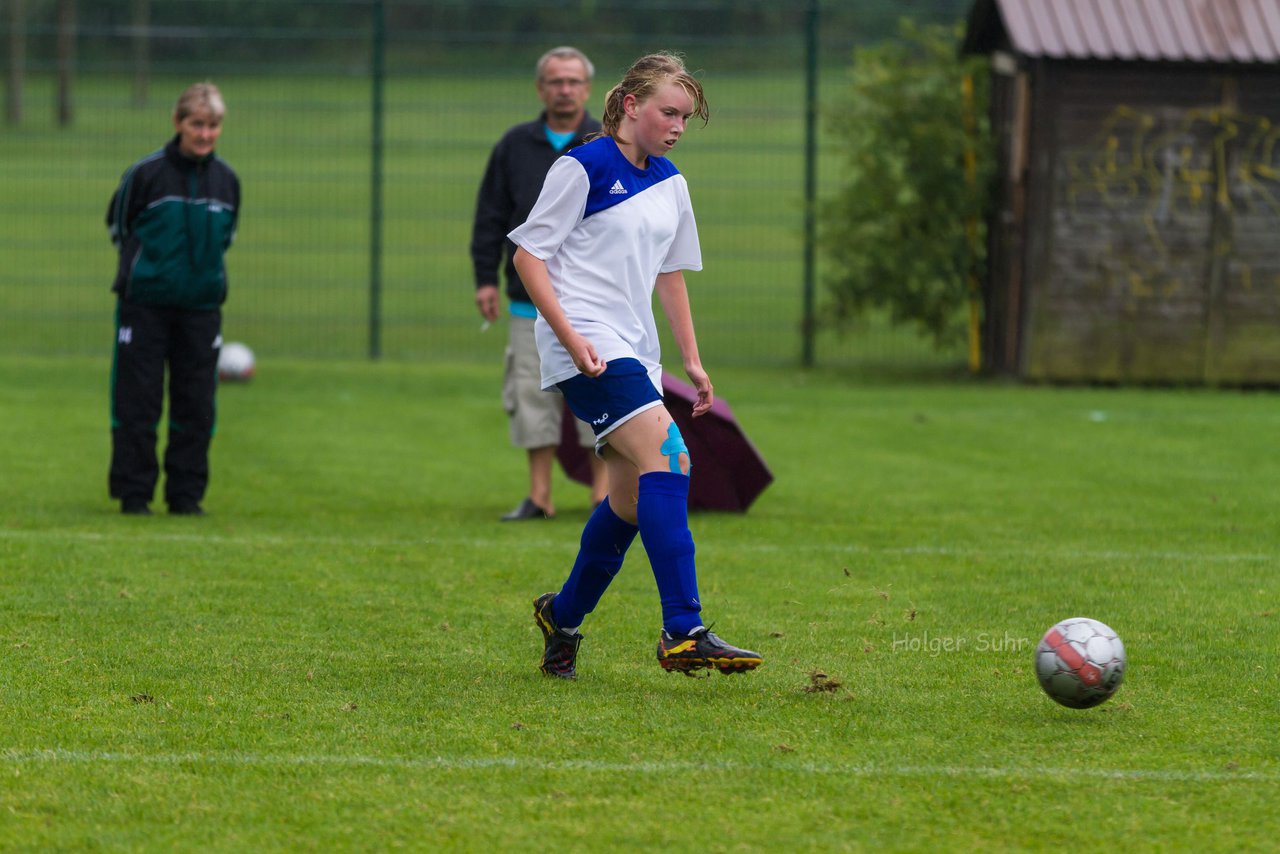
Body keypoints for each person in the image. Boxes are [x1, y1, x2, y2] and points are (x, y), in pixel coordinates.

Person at [509, 52, 762, 678]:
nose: (677, 126)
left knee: (626, 501)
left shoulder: (671, 181)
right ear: (631, 106)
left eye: (685, 117)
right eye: (668, 112)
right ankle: (683, 629)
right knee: (671, 459)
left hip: (634, 350)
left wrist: (693, 361)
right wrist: (570, 337)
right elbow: (528, 258)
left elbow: (669, 274)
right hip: (587, 345)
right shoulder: (584, 165)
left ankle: (561, 618)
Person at [472, 46, 607, 522]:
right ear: (540, 88)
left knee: (599, 399)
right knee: (531, 398)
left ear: (587, 89)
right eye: (556, 81)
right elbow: (490, 216)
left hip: (590, 301)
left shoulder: (604, 144)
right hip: (526, 302)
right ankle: (540, 497)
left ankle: (601, 498)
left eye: (573, 81)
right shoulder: (514, 145)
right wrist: (485, 279)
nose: (564, 89)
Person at [106, 82, 240, 516]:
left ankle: (185, 496)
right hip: (144, 306)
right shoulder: (145, 174)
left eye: (213, 125)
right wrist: (149, 270)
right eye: (196, 124)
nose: (204, 134)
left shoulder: (227, 181)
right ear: (178, 123)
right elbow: (119, 228)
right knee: (138, 402)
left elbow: (227, 238)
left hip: (201, 309)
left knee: (197, 405)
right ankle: (134, 494)